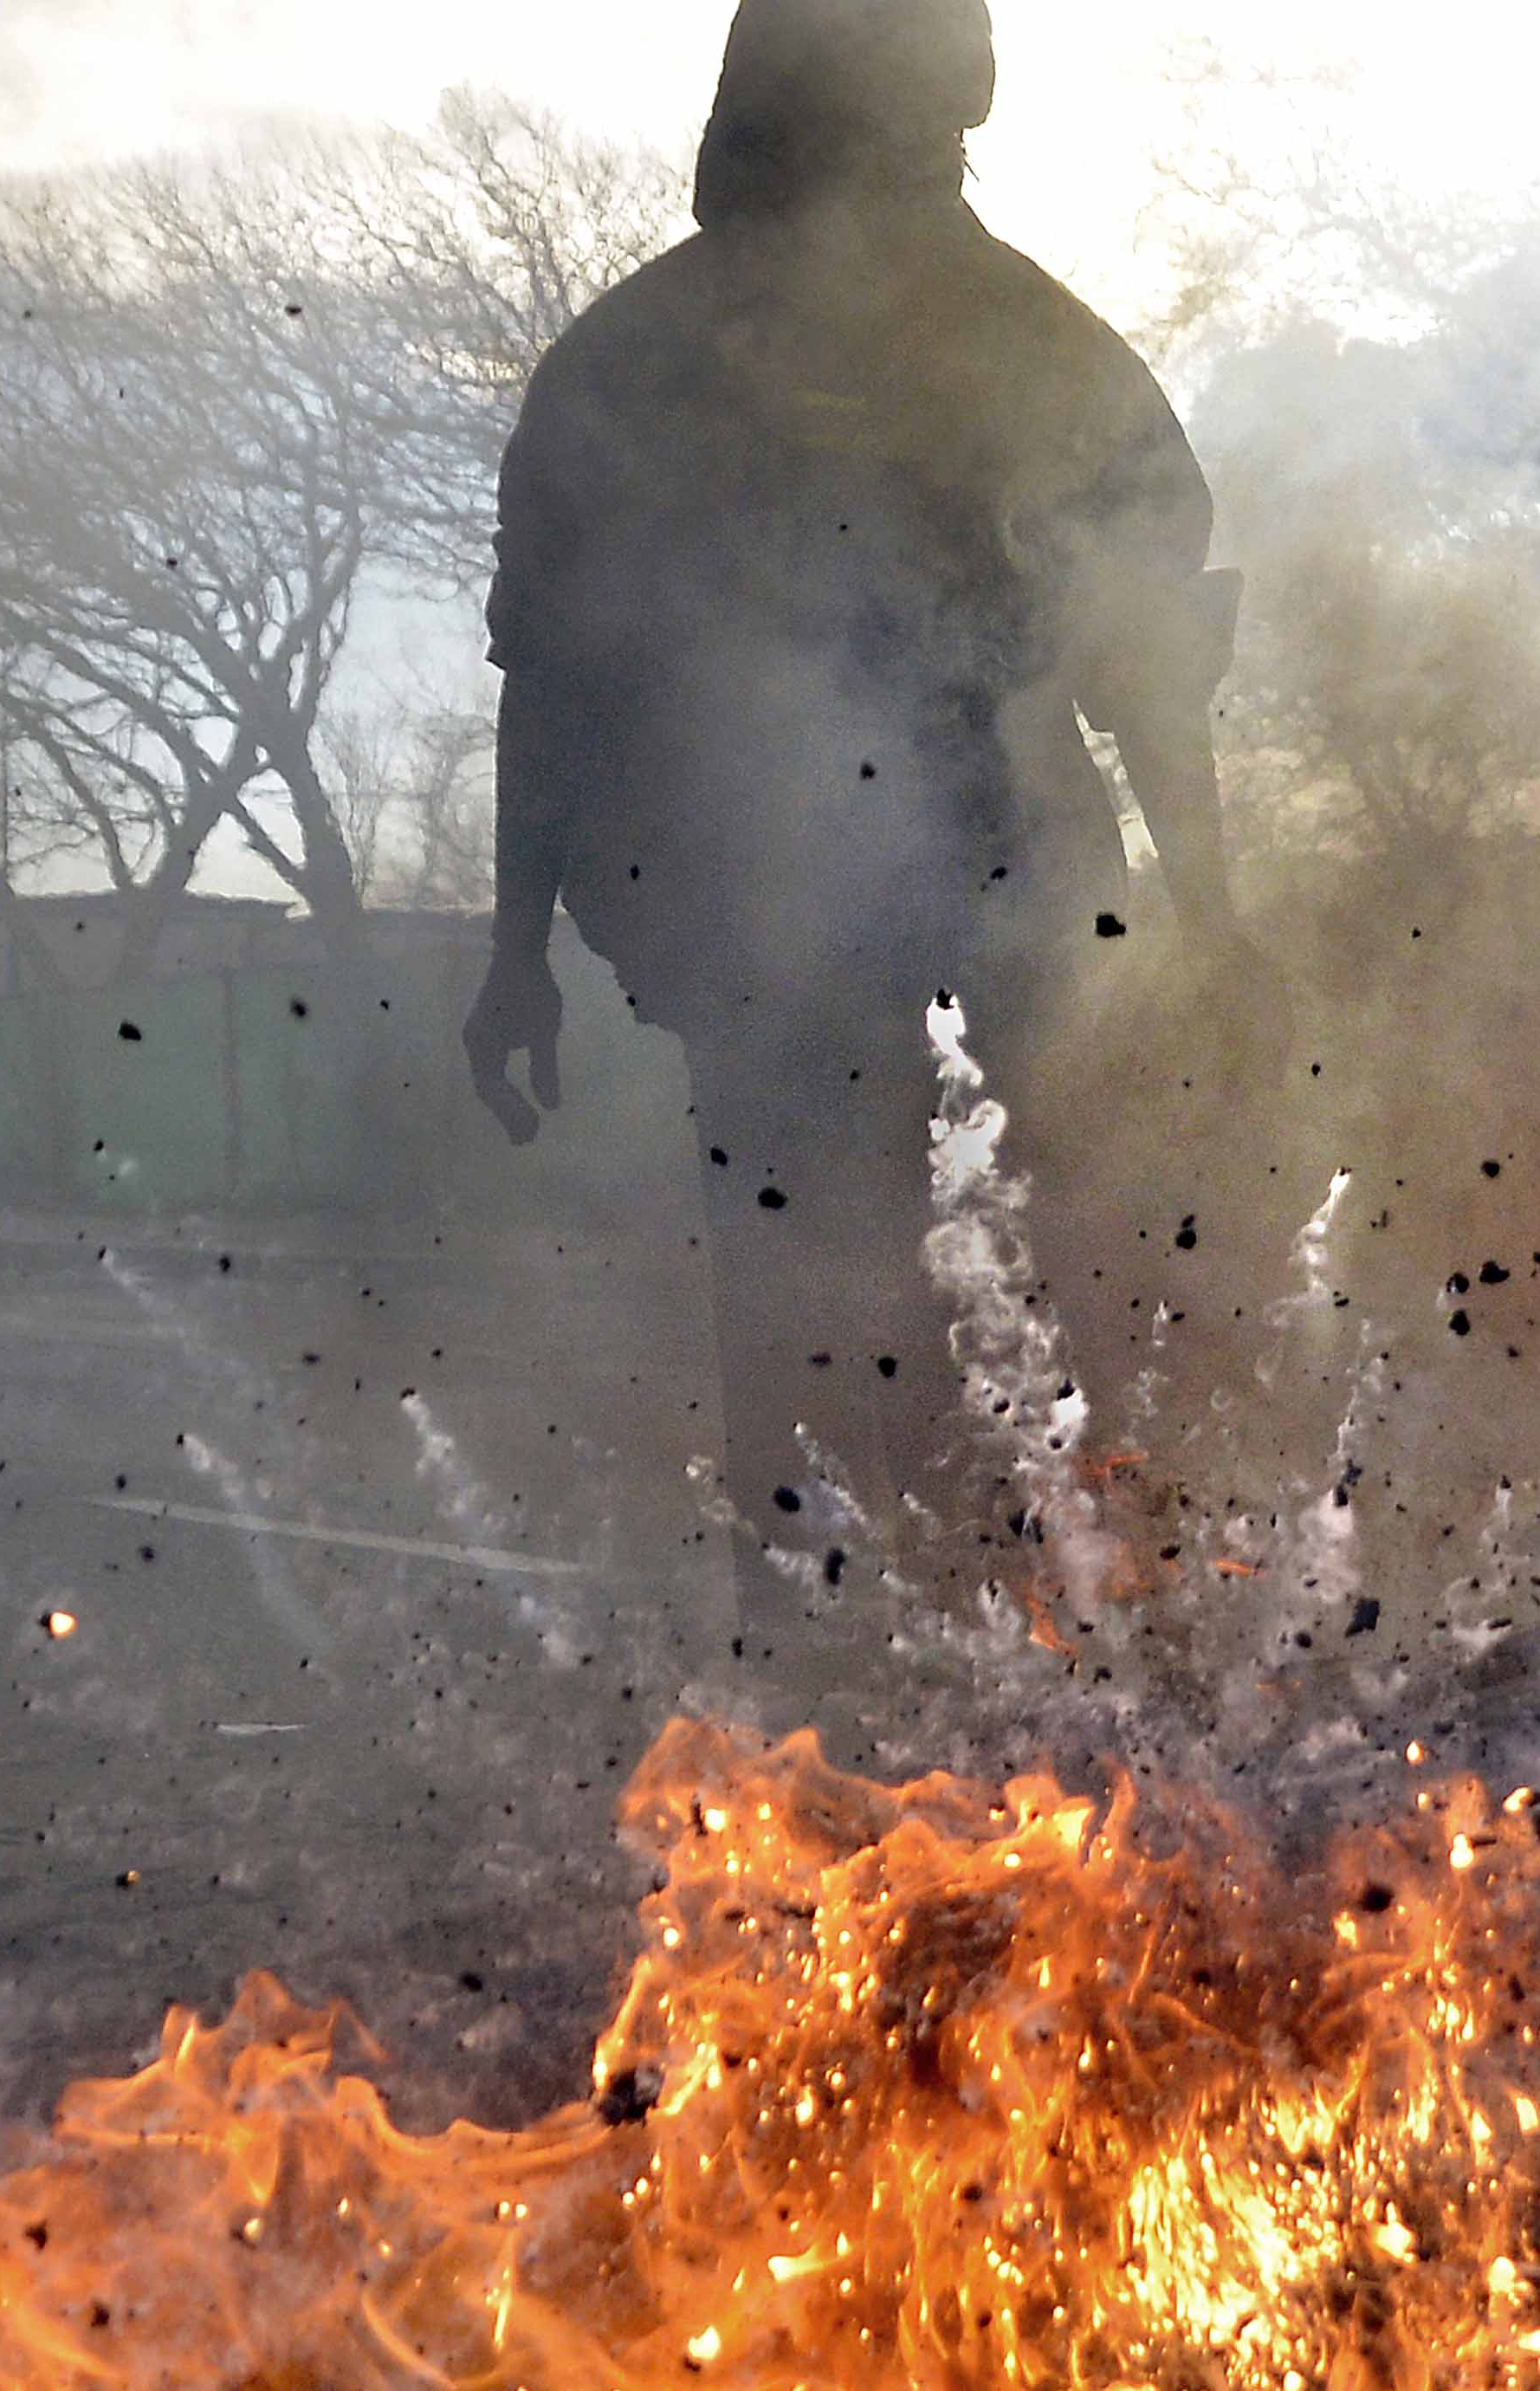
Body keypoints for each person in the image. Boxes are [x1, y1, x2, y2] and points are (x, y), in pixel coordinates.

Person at [460, 0, 1241, 1649]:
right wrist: (512, 951)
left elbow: (1147, 645)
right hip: (798, 911)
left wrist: (519, 953)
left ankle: (996, 1658)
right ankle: (946, 1683)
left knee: (1012, 1282)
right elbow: (558, 671)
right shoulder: (1003, 339)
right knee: (895, 1298)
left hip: (950, 895)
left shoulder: (647, 357)